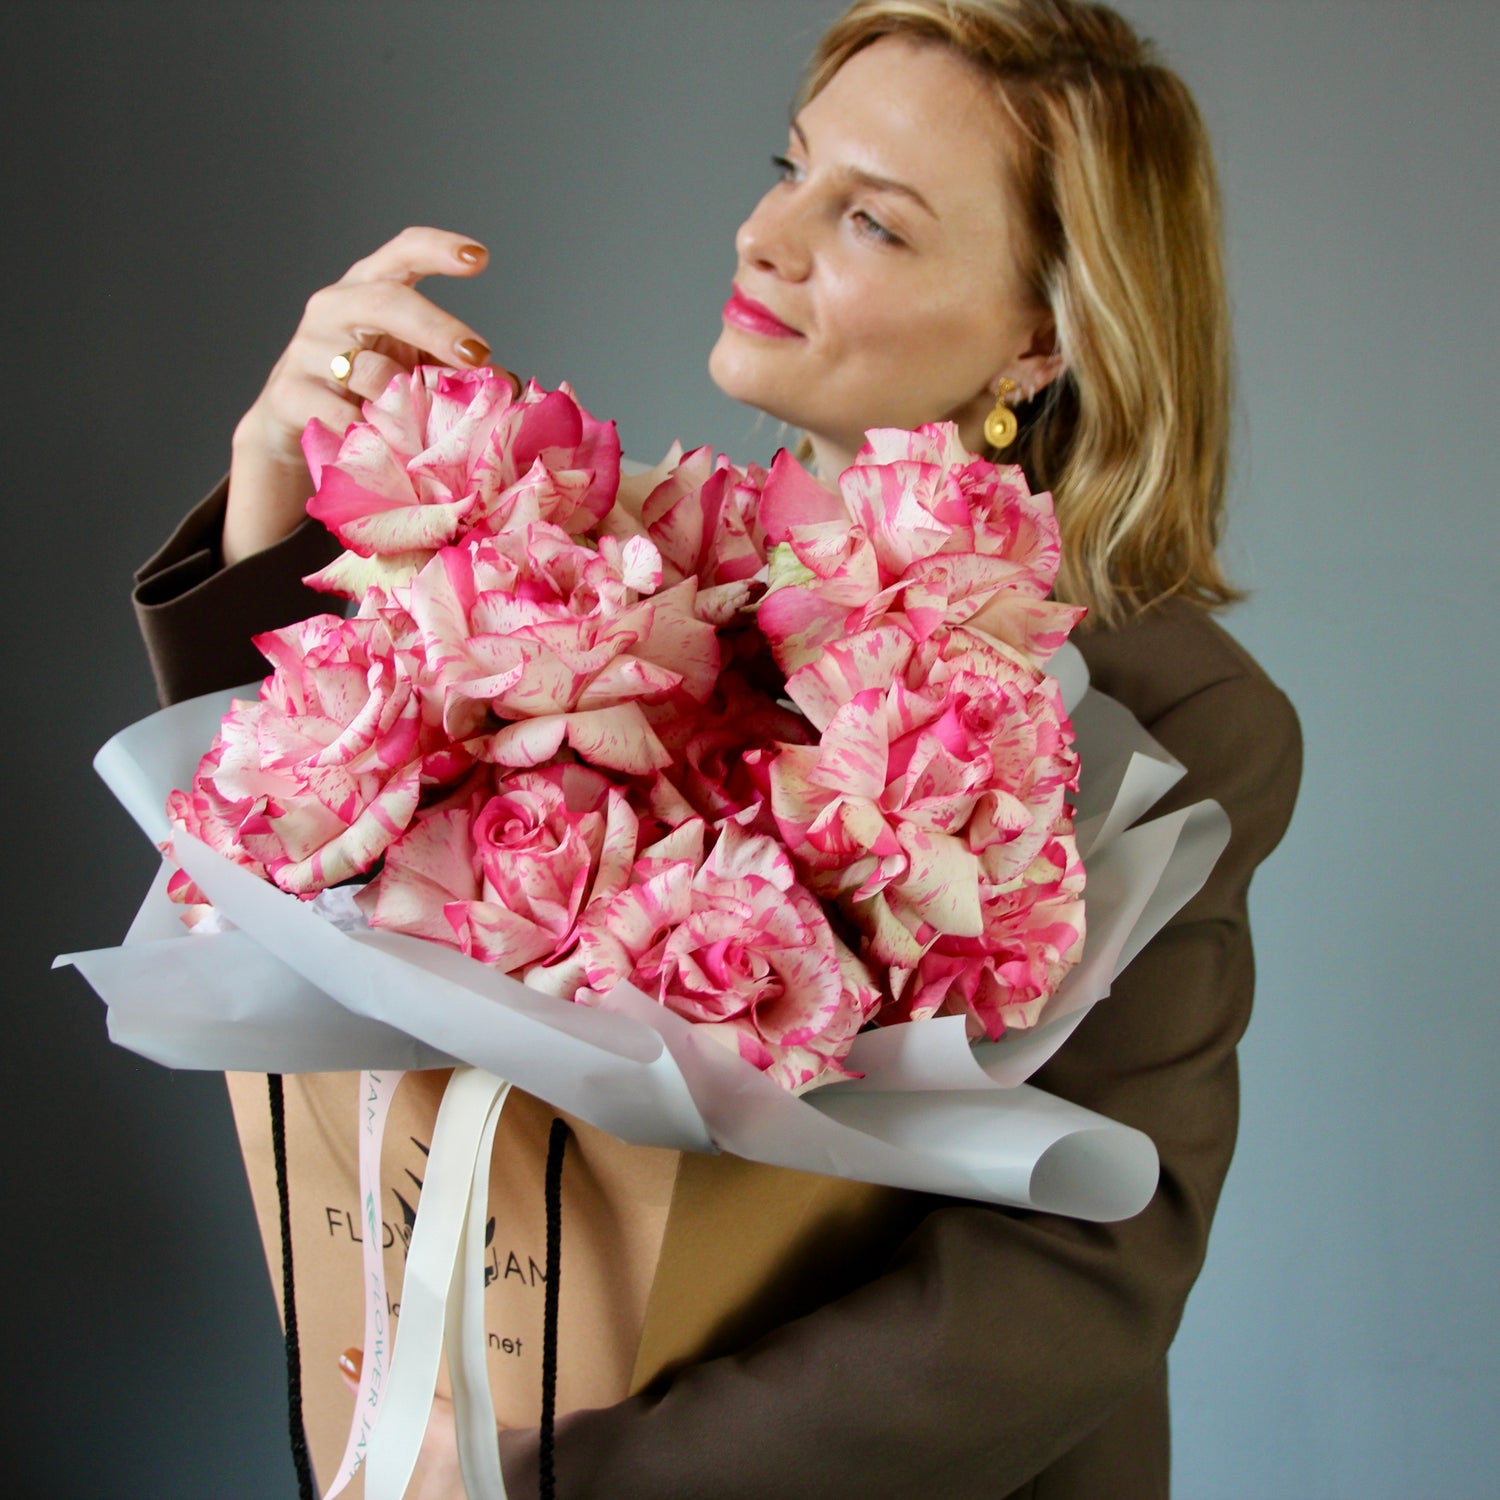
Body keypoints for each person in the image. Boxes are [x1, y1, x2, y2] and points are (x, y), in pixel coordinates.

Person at [133, 1, 1301, 1495]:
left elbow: (1080, 1275)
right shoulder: (632, 567)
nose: (765, 235)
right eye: (790, 165)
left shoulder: (1168, 716)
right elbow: (321, 880)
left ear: (1042, 336)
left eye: (870, 222)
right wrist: (274, 501)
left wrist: (569, 1478)